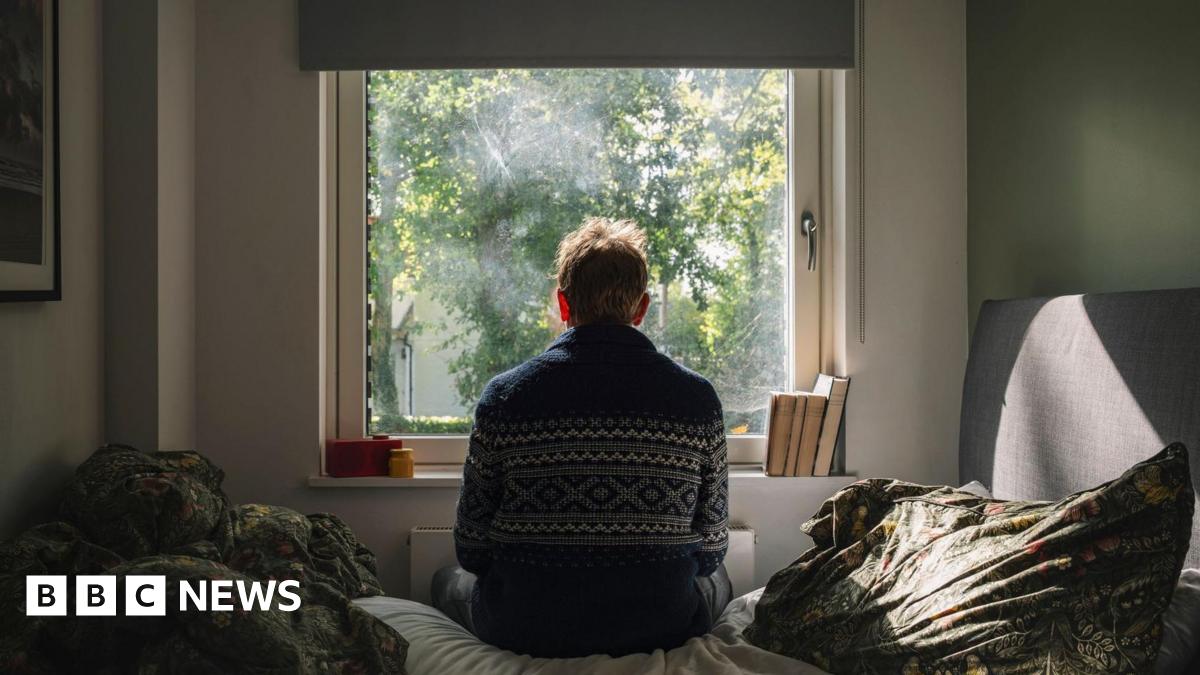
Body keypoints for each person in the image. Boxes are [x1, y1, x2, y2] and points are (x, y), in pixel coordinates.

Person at [432, 217, 731, 658]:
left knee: (444, 582)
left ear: (563, 304)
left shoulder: (505, 397)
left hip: (525, 626)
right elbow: (711, 551)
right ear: (642, 307)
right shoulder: (698, 399)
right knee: (719, 581)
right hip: (660, 627)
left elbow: (471, 551)